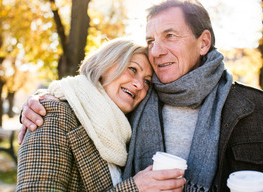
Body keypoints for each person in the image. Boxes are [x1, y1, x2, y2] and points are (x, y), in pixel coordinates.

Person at [19, 0, 263, 192]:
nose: (156, 50)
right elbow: (86, 101)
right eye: (151, 40)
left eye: (170, 36)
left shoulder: (255, 107)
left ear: (204, 42)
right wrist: (40, 102)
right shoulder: (134, 104)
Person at [16, 38, 186, 191]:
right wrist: (134, 189)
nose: (139, 84)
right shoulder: (53, 115)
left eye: (147, 81)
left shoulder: (123, 132)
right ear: (104, 65)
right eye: (133, 69)